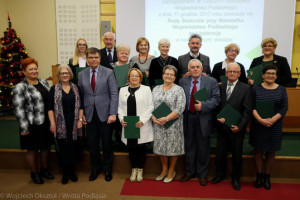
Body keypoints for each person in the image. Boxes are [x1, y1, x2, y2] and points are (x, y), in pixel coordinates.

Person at [78, 47, 118, 182]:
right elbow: (80, 96)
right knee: (92, 145)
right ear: (87, 59)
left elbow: (114, 94)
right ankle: (95, 169)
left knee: (106, 144)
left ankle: (107, 170)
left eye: (96, 57)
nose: (93, 60)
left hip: (105, 114)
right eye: (91, 57)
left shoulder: (108, 72)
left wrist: (113, 113)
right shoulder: (81, 74)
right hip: (89, 115)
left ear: (100, 58)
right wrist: (81, 113)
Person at [12, 57, 54, 184]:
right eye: (31, 69)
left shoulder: (44, 82)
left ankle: (44, 170)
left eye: (35, 68)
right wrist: (24, 128)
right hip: (31, 124)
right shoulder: (20, 87)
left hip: (45, 122)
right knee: (32, 149)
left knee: (46, 147)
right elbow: (19, 109)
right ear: (24, 71)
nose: (34, 71)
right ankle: (34, 173)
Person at [179, 59, 220, 186]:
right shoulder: (182, 81)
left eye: (198, 67)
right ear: (189, 69)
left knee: (203, 148)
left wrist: (204, 105)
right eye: (193, 67)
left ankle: (203, 174)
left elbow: (217, 99)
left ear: (202, 69)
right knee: (189, 146)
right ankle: (190, 172)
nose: (195, 69)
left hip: (204, 118)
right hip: (188, 118)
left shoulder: (211, 81)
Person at [212, 62, 253, 191]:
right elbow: (215, 107)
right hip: (221, 128)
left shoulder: (246, 88)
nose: (232, 73)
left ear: (240, 74)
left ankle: (236, 178)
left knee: (237, 154)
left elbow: (247, 111)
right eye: (230, 71)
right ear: (226, 73)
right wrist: (217, 118)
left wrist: (240, 126)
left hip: (237, 129)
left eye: (235, 71)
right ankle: (220, 174)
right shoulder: (220, 87)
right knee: (220, 154)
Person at [249, 64, 288, 190]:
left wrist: (273, 119)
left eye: (273, 73)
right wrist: (260, 120)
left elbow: (284, 108)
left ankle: (267, 176)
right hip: (258, 124)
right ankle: (259, 175)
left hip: (274, 125)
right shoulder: (255, 88)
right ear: (263, 75)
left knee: (271, 152)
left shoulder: (282, 89)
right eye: (268, 73)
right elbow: (251, 106)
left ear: (276, 76)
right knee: (258, 151)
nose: (270, 75)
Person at [48, 64, 84, 184]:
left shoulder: (76, 88)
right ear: (58, 75)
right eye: (62, 73)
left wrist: (79, 120)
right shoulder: (54, 89)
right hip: (60, 123)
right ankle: (65, 173)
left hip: (74, 123)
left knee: (73, 148)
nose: (65, 75)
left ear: (70, 74)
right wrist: (52, 124)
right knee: (63, 148)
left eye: (67, 73)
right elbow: (50, 108)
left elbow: (81, 106)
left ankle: (72, 172)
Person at [118, 68, 154, 182]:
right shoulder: (122, 90)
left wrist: (143, 120)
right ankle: (133, 169)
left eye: (136, 76)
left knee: (141, 149)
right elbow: (119, 107)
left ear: (140, 78)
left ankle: (140, 170)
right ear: (128, 78)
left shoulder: (146, 89)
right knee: (131, 148)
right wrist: (121, 119)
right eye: (132, 76)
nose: (134, 78)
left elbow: (151, 106)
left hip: (141, 125)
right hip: (128, 124)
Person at [152, 65, 186, 183]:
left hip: (173, 124)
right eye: (167, 73)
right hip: (157, 124)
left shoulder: (179, 90)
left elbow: (180, 108)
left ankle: (171, 170)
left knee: (173, 147)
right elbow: (150, 106)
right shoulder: (155, 89)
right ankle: (164, 169)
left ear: (175, 77)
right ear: (162, 75)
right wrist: (152, 117)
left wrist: (166, 118)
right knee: (161, 147)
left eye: (171, 74)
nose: (169, 76)